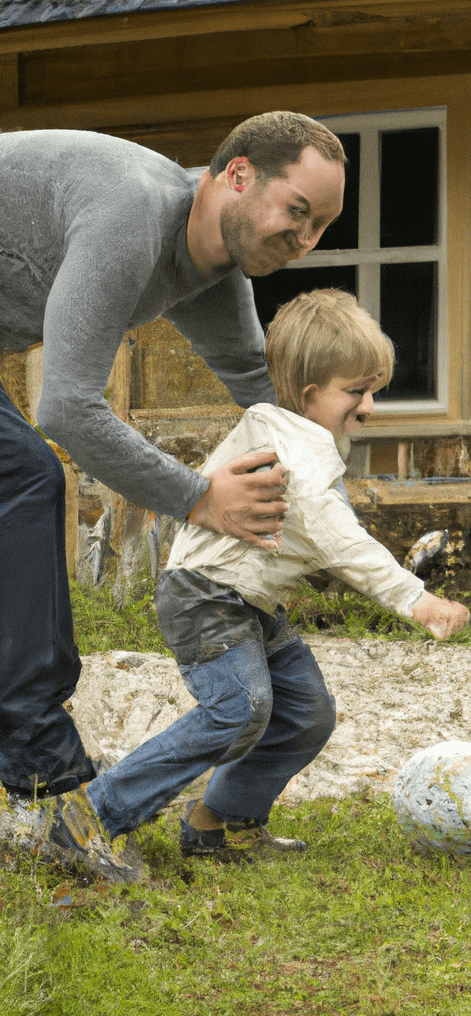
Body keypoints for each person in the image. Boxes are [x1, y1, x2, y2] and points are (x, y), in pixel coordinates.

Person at [25, 289, 471, 880]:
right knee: (239, 708)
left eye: (374, 390)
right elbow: (340, 539)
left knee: (305, 712)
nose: (368, 407)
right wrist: (415, 598)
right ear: (311, 394)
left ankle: (218, 820)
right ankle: (91, 817)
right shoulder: (295, 447)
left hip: (248, 603)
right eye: (356, 391)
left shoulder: (290, 433)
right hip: (206, 595)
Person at [0, 112, 346, 870]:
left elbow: (260, 385)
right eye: (298, 211)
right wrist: (199, 495)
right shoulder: (132, 215)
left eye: (321, 225)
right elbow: (66, 407)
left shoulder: (213, 272)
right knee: (25, 476)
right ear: (239, 175)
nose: (307, 240)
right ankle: (46, 792)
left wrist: (330, 470)